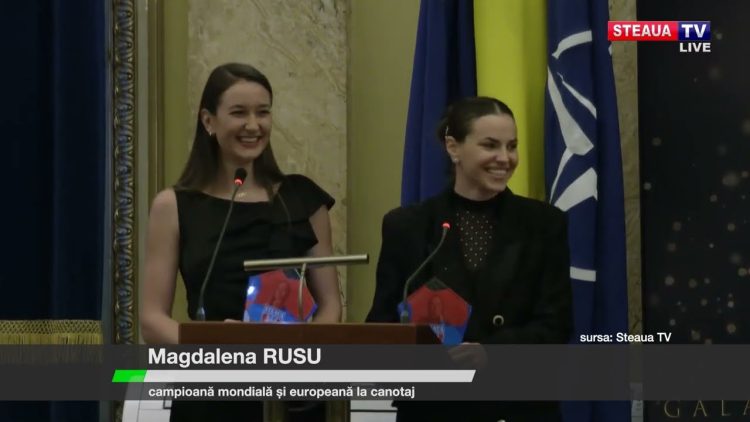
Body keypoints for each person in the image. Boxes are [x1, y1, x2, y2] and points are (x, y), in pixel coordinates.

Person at [141, 63, 341, 421]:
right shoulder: (173, 205)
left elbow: (331, 307)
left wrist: (297, 357)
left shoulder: (303, 198)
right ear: (208, 121)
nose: (253, 125)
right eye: (239, 113)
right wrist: (213, 349)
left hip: (292, 392)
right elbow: (152, 320)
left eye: (263, 112)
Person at [367, 96, 573, 421]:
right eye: (490, 145)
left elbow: (557, 325)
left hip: (517, 405)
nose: (505, 158)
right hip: (435, 408)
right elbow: (382, 323)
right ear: (454, 147)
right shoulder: (407, 226)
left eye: (512, 146)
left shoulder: (544, 224)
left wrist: (491, 353)